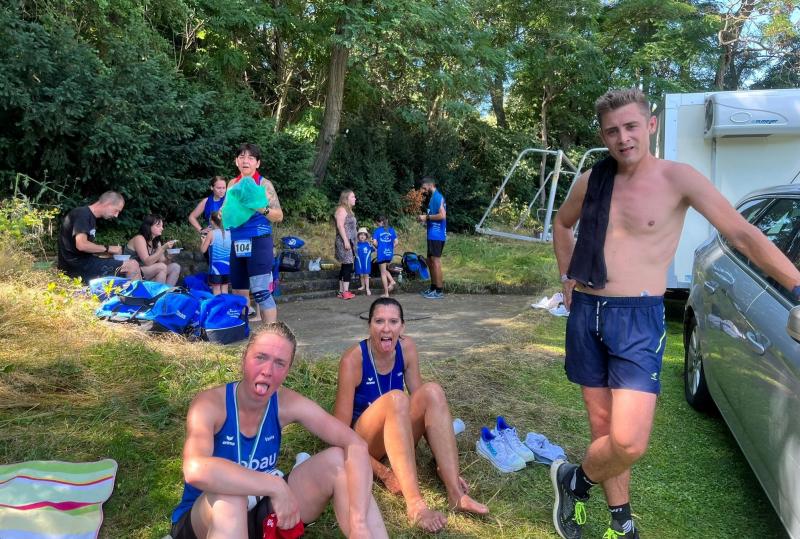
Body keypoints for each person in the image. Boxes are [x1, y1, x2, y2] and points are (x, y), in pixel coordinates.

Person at [550, 88, 800, 539]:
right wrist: (567, 275)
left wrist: (797, 284)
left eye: (631, 126)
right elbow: (563, 223)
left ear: (651, 125)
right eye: (612, 131)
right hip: (588, 311)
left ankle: (574, 480)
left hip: (638, 317)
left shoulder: (678, 179)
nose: (623, 138)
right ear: (603, 136)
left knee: (628, 441)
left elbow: (742, 234)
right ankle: (621, 521)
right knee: (603, 426)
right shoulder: (591, 181)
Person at [171, 322, 389, 539]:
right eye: (261, 357)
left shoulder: (286, 403)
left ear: (287, 371)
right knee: (231, 498)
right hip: (206, 519)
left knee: (338, 460)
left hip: (259, 509)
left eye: (279, 363)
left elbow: (355, 443)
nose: (267, 371)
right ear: (244, 358)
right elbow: (195, 469)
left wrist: (358, 523)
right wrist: (274, 485)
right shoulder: (210, 404)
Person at [333, 297, 489, 533]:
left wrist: (442, 461)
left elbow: (425, 410)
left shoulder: (407, 348)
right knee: (397, 398)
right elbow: (338, 435)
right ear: (369, 326)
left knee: (432, 391)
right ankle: (415, 505)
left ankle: (456, 494)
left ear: (402, 327)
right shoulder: (353, 359)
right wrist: (384, 473)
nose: (386, 328)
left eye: (393, 321)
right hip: (366, 444)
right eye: (379, 321)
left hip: (397, 432)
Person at [225, 143, 283, 324]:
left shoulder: (264, 184)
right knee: (238, 292)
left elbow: (279, 216)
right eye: (242, 157)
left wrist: (261, 208)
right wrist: (217, 219)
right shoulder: (232, 184)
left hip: (259, 240)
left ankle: (272, 333)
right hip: (236, 241)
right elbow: (225, 212)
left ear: (257, 163)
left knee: (260, 292)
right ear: (236, 161)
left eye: (250, 158)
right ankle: (242, 332)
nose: (246, 161)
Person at [57, 191, 142, 282]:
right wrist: (108, 248)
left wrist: (107, 254)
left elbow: (82, 249)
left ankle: (133, 289)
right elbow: (81, 245)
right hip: (75, 267)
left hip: (82, 263)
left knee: (134, 267)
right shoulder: (82, 214)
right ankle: (136, 291)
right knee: (132, 265)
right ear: (107, 204)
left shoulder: (89, 217)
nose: (116, 215)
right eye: (116, 210)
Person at [125, 214, 181, 285]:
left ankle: (167, 291)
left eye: (162, 226)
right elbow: (147, 262)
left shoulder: (156, 242)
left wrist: (168, 257)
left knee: (175, 267)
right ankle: (159, 291)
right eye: (158, 226)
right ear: (148, 226)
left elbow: (163, 262)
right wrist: (163, 248)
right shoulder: (139, 238)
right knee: (161, 267)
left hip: (146, 271)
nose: (162, 228)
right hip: (133, 272)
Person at [417, 178, 446, 299]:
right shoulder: (433, 198)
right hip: (432, 234)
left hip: (437, 235)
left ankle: (439, 291)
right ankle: (433, 288)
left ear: (430, 185)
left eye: (424, 188)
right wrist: (424, 220)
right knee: (430, 261)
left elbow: (442, 215)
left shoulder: (437, 197)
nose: (423, 191)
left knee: (435, 262)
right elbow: (433, 216)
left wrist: (426, 217)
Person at [200, 211, 232, 295]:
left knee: (216, 292)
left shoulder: (211, 233)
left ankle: (218, 304)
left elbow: (203, 250)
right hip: (227, 268)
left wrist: (203, 241)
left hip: (215, 270)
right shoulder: (229, 233)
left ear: (212, 221)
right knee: (225, 291)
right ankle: (226, 304)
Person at [334, 190, 357, 300]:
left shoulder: (348, 210)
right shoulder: (341, 209)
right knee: (348, 265)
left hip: (349, 241)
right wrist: (346, 241)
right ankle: (345, 292)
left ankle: (341, 291)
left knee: (345, 265)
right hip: (344, 241)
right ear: (346, 198)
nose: (355, 199)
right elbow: (340, 226)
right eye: (353, 197)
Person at [372, 216, 398, 297]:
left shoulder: (377, 231)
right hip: (389, 253)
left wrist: (379, 247)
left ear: (380, 222)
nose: (377, 224)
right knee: (383, 269)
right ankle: (392, 281)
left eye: (377, 223)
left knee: (382, 273)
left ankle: (386, 293)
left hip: (382, 253)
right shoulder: (391, 230)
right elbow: (396, 242)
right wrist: (390, 248)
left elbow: (374, 242)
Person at [355, 227, 374, 296]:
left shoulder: (368, 244)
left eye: (364, 234)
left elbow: (375, 249)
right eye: (361, 234)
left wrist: (372, 243)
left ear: (366, 236)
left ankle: (367, 288)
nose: (362, 236)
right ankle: (363, 286)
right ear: (358, 236)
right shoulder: (356, 245)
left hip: (366, 263)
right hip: (359, 262)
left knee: (366, 275)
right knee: (361, 275)